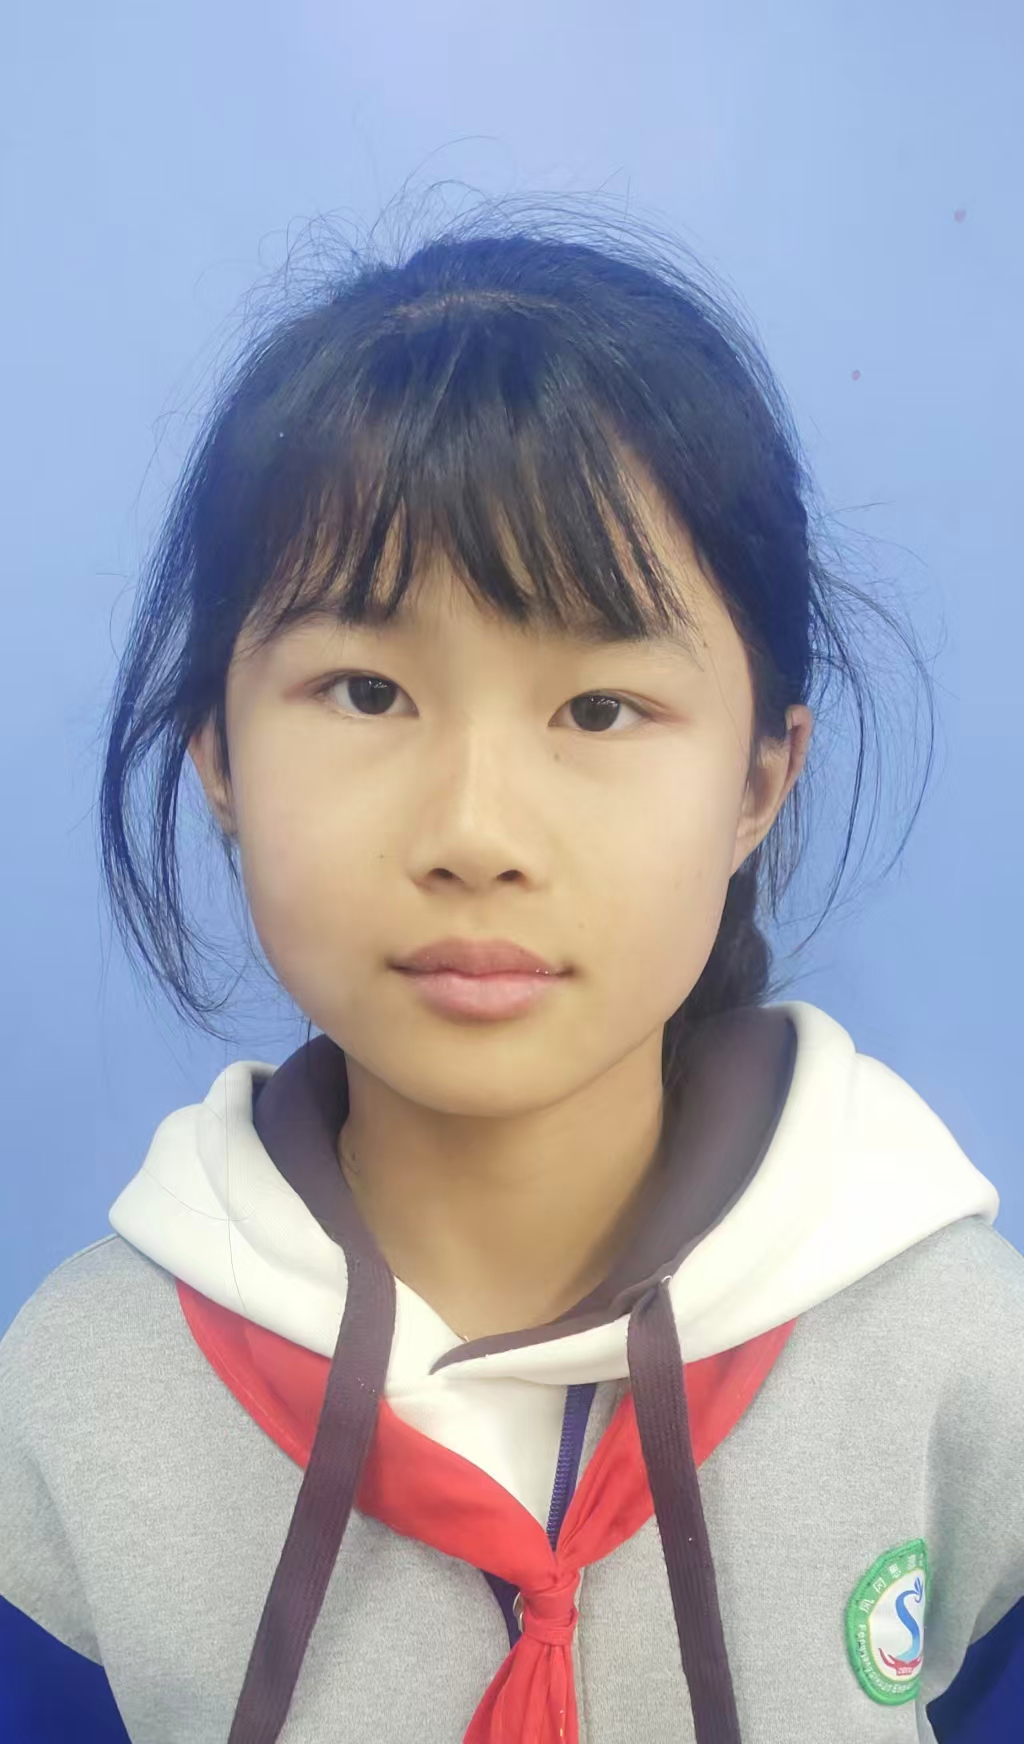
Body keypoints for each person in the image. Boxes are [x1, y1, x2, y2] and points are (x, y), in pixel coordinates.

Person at [1, 202, 1021, 1744]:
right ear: (217, 755)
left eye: (600, 710)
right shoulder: (69, 1407)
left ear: (760, 781)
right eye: (365, 691)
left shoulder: (967, 1363)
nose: (476, 833)